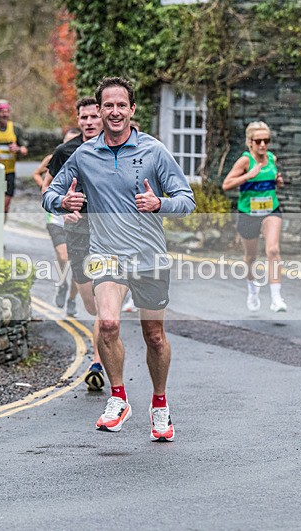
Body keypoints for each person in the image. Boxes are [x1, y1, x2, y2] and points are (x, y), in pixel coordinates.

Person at [43, 77, 196, 442]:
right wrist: (63, 202)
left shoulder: (154, 151)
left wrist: (159, 203)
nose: (114, 112)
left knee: (154, 336)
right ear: (99, 110)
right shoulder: (84, 155)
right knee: (108, 323)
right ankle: (118, 398)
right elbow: (49, 194)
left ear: (132, 109)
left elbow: (187, 200)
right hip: (106, 254)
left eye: (120, 105)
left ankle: (159, 404)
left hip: (148, 256)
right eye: (107, 106)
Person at [42, 97, 105, 390]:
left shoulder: (118, 149)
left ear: (103, 117)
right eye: (84, 117)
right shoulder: (66, 152)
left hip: (110, 237)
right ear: (78, 120)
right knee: (91, 306)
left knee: (106, 308)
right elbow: (47, 190)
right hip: (78, 234)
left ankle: (98, 363)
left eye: (94, 116)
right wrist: (62, 206)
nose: (89, 122)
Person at [222, 121, 287, 313]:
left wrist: (278, 181)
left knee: (273, 250)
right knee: (251, 257)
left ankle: (276, 298)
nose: (263, 145)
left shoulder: (271, 158)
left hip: (270, 210)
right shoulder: (245, 161)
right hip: (248, 214)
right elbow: (226, 185)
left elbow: (272, 181)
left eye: (266, 140)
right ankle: (252, 288)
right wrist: (248, 175)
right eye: (258, 141)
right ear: (250, 142)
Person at [33, 128, 82, 314]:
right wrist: (50, 193)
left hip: (78, 217)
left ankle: (72, 299)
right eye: (67, 142)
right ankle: (62, 284)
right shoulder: (55, 157)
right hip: (57, 216)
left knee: (78, 264)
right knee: (63, 256)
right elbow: (38, 175)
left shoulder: (87, 159)